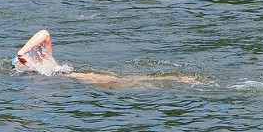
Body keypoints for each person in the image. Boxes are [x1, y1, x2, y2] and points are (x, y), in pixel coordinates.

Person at [13, 29, 198, 87]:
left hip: (74, 77)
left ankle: (177, 78)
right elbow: (44, 34)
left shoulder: (38, 62)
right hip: (73, 77)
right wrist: (22, 54)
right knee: (128, 82)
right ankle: (177, 78)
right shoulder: (38, 64)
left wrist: (22, 53)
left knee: (127, 82)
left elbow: (44, 33)